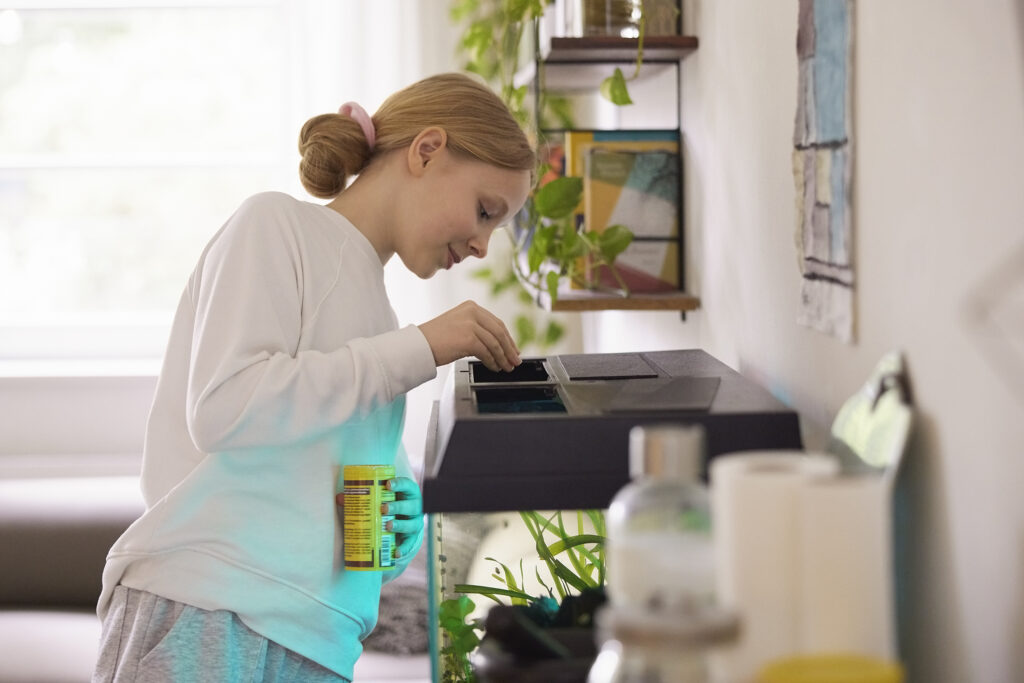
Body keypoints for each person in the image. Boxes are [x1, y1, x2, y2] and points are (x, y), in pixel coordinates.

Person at [92, 72, 535, 682]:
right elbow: (226, 406)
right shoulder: (274, 227)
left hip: (319, 640)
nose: (484, 243)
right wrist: (420, 348)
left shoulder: (384, 320)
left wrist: (396, 522)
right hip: (211, 607)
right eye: (485, 210)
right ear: (427, 150)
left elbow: (336, 479)